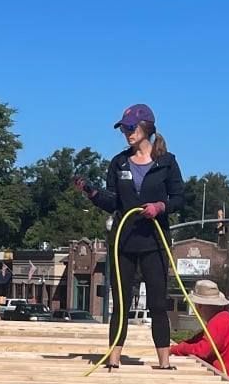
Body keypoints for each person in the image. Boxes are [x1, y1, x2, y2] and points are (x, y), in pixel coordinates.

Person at [75, 103, 185, 370]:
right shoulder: (119, 162)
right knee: (121, 303)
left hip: (154, 243)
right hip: (124, 242)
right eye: (123, 129)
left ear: (145, 127)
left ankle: (164, 361)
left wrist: (160, 207)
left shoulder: (167, 163)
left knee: (158, 303)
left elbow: (180, 198)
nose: (126, 133)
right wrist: (91, 193)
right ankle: (113, 359)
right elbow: (114, 200)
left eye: (130, 128)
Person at [168, 278, 229, 380]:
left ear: (200, 305)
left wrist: (176, 349)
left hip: (227, 380)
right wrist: (182, 345)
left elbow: (203, 350)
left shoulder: (218, 321)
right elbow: (200, 339)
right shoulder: (226, 318)